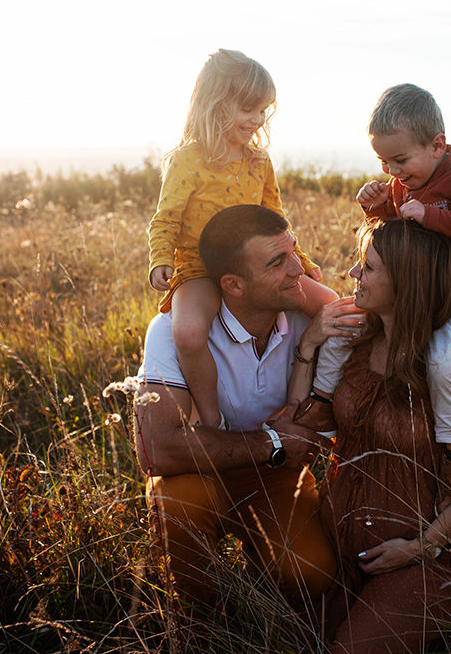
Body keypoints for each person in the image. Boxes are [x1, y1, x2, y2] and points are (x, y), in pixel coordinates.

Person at [293, 219, 451, 652]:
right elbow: (306, 424)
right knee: (298, 638)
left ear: (408, 281)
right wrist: (308, 346)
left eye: (368, 267)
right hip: (340, 546)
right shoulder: (356, 342)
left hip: (424, 557)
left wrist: (421, 546)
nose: (354, 276)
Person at [134, 204, 361, 617]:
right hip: (199, 473)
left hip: (276, 476)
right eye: (278, 262)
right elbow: (158, 449)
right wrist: (272, 442)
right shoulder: (173, 331)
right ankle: (197, 622)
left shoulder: (305, 317)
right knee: (180, 508)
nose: (299, 269)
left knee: (311, 574)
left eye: (294, 251)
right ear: (234, 285)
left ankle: (260, 587)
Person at [305, 83, 451, 496]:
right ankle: (321, 402)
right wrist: (375, 208)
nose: (392, 172)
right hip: (411, 295)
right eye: (382, 161)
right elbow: (394, 241)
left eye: (399, 159)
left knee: (444, 361)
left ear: (437, 145)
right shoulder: (400, 185)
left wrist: (430, 215)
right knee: (347, 325)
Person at [147, 48, 336, 432]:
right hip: (199, 268)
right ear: (215, 104)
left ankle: (319, 401)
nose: (257, 119)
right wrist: (160, 258)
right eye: (247, 108)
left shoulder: (259, 161)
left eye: (262, 109)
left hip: (257, 267)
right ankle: (210, 416)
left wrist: (299, 258)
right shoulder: (187, 161)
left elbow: (275, 220)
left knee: (330, 304)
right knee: (187, 333)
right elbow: (166, 217)